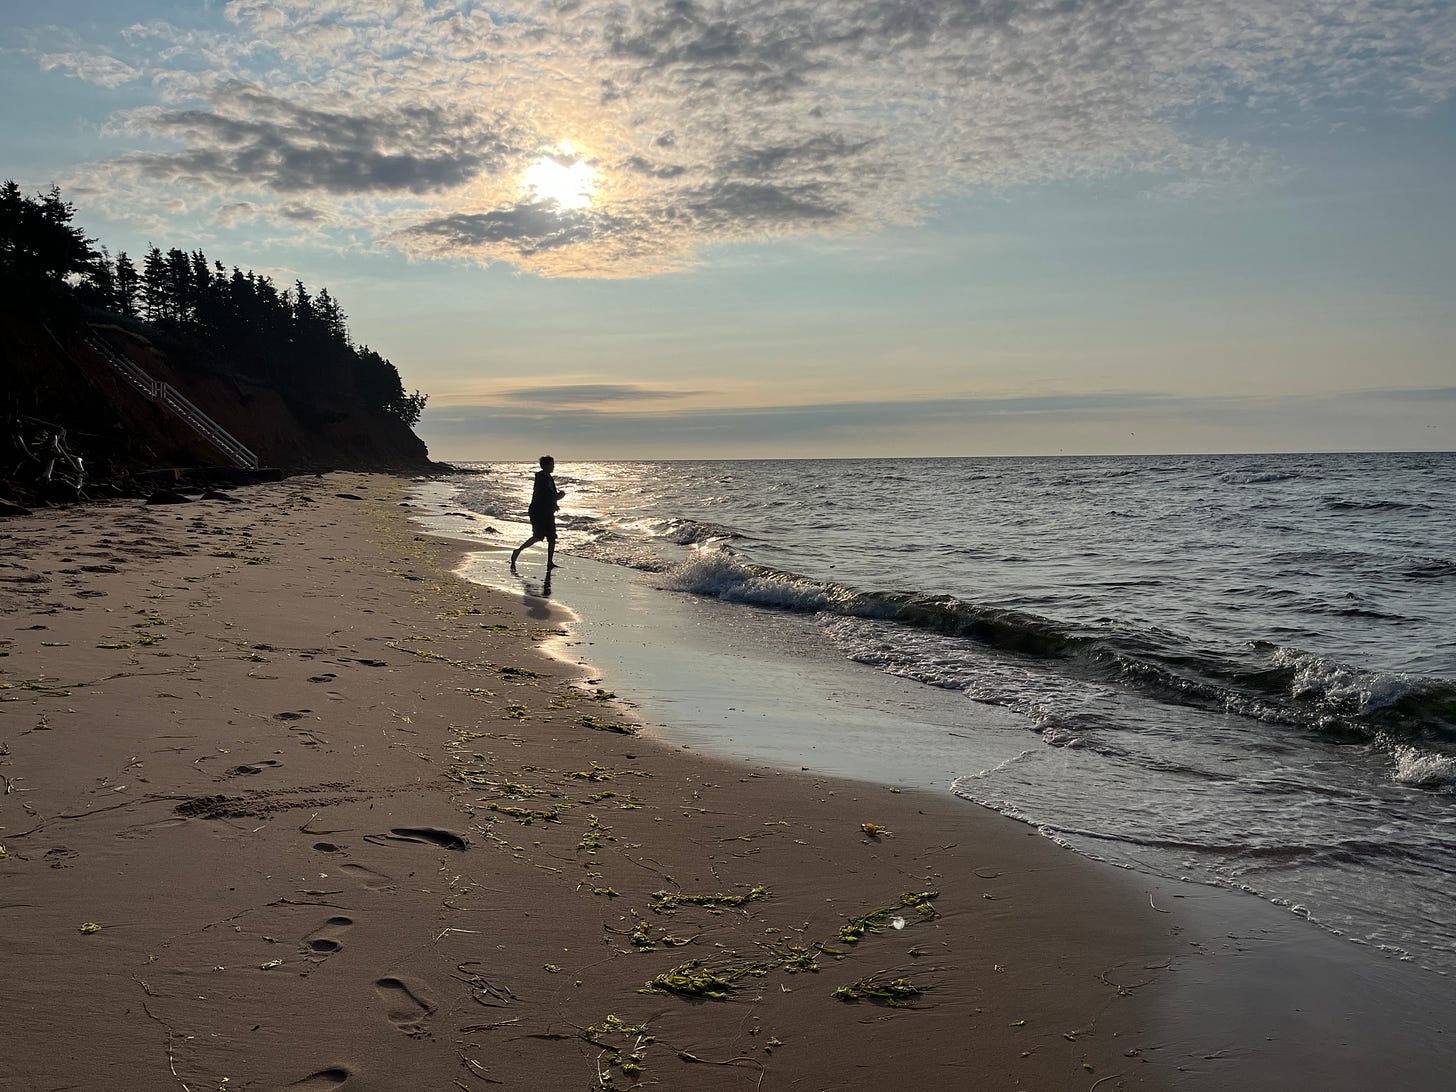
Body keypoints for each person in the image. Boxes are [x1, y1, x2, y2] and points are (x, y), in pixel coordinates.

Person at [510, 455, 565, 571]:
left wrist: (555, 503)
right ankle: (518, 551)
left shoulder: (548, 478)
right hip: (539, 511)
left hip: (547, 511)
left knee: (551, 537)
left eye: (553, 464)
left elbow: (550, 495)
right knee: (538, 536)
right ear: (545, 465)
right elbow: (546, 495)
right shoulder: (541, 478)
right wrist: (559, 496)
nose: (553, 467)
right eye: (551, 464)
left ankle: (549, 562)